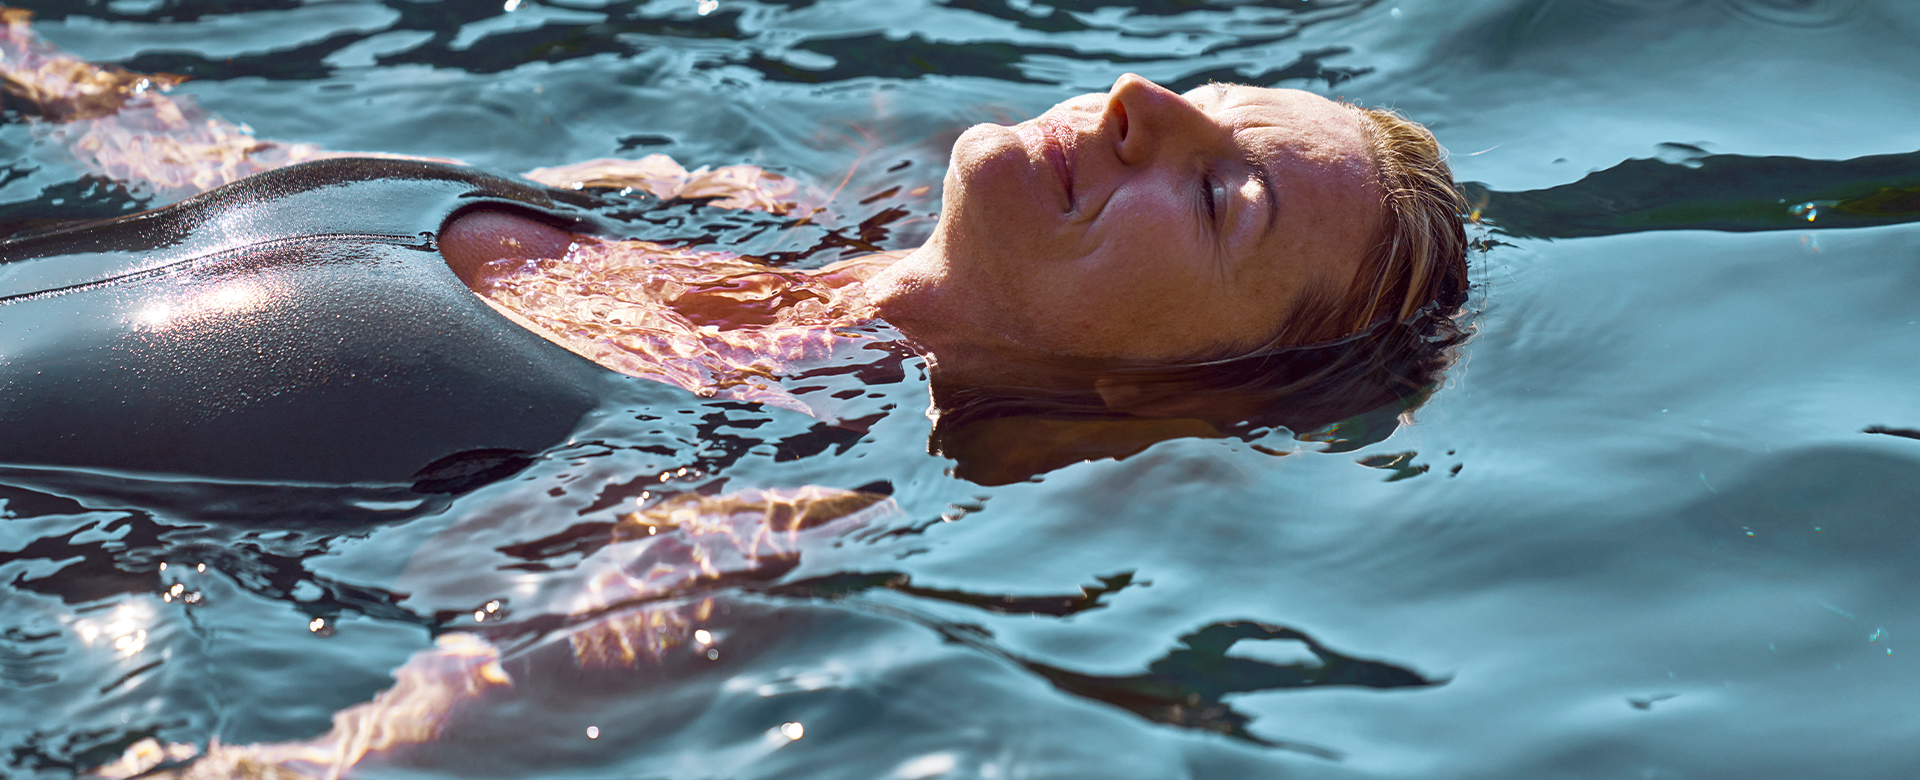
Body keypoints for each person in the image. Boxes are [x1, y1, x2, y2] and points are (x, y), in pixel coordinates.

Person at [0, 7, 1468, 486]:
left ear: (1175, 388)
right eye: (1204, 95)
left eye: (1221, 199)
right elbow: (219, 184)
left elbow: (424, 723)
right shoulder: (717, 206)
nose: (1142, 99)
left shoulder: (769, 498)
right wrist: (36, 62)